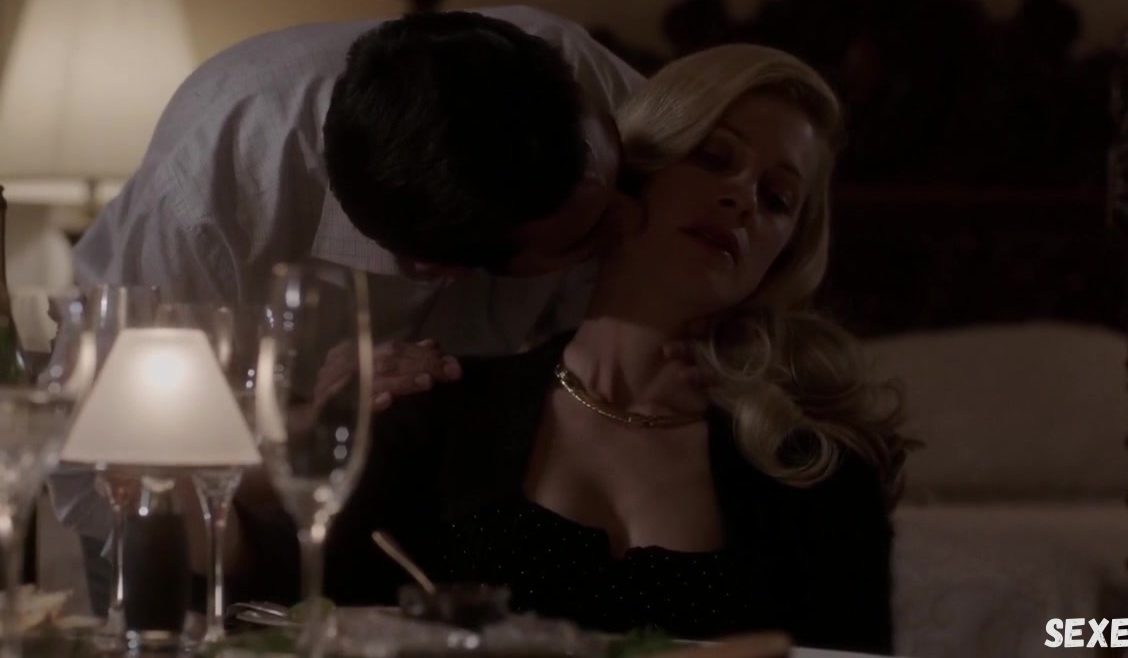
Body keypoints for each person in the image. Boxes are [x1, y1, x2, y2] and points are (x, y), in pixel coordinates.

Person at [228, 44, 910, 654]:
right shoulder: (440, 410)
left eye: (778, 197)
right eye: (715, 158)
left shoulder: (816, 469)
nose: (742, 198)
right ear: (634, 174)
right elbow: (284, 604)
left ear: (782, 255)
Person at [52, 6, 648, 615]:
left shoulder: (571, 66)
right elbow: (128, 466)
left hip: (454, 505)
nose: (633, 221)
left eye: (611, 162)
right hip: (209, 507)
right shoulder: (210, 187)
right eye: (587, 236)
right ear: (439, 270)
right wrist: (310, 425)